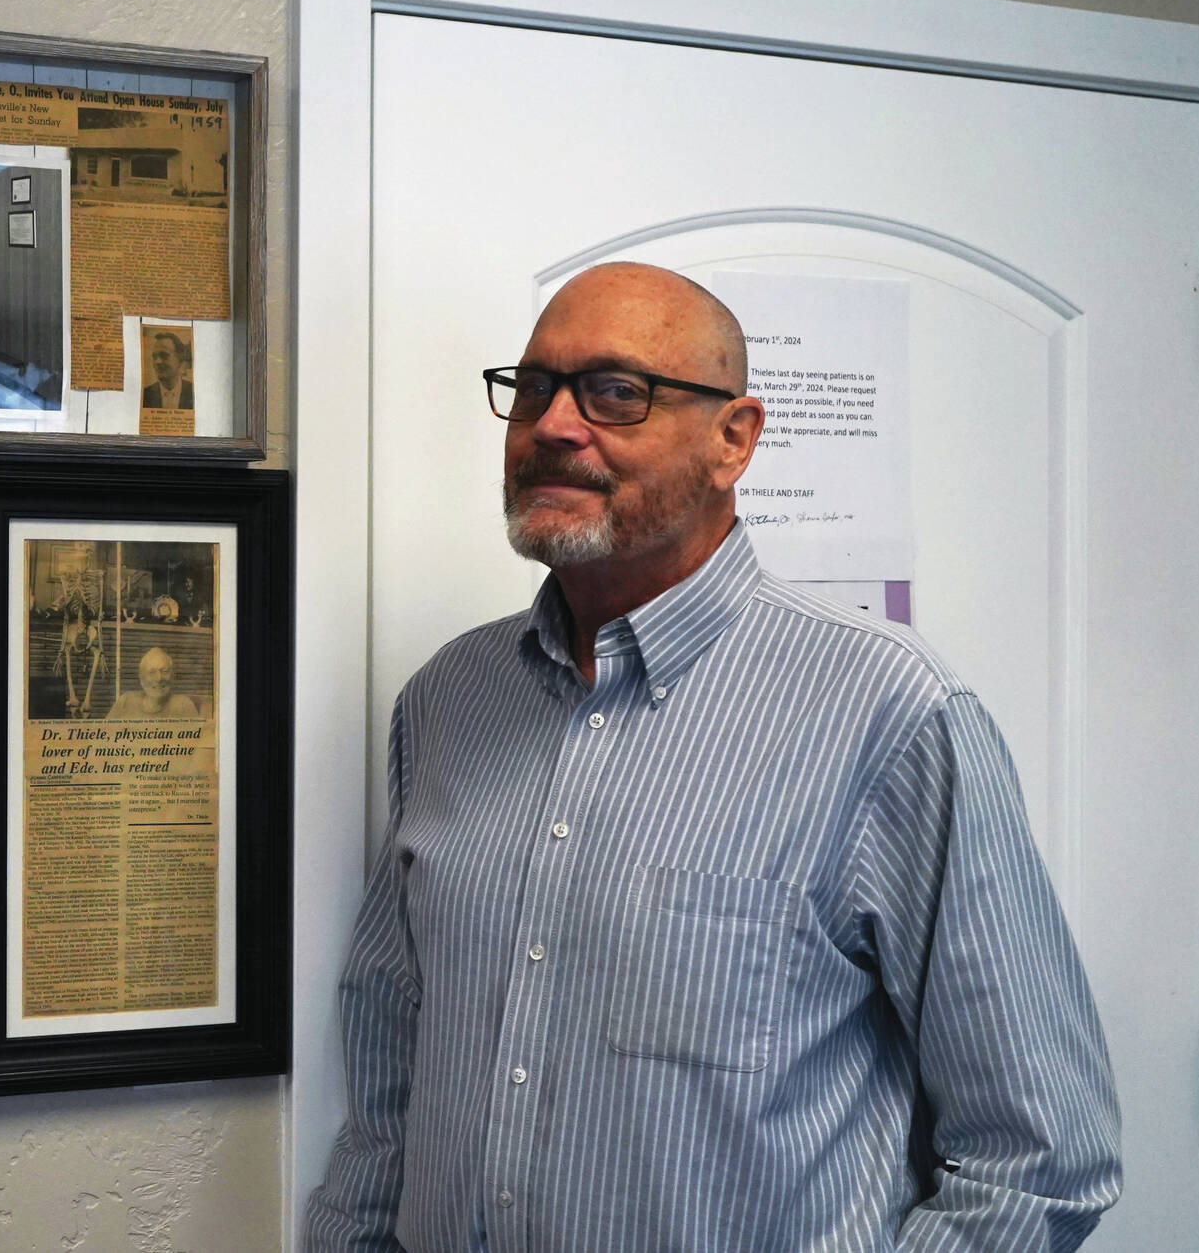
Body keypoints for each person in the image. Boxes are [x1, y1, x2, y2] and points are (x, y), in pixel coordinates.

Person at [304, 262, 1121, 1251]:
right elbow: (390, 1064)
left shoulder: (884, 710)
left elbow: (1039, 1155)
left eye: (615, 392)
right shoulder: (450, 700)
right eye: (532, 389)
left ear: (733, 439)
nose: (554, 425)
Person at [106, 646, 200, 718]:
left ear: (173, 676)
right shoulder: (126, 702)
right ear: (142, 678)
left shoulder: (183, 704)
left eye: (165, 671)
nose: (159, 678)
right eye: (152, 672)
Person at [141, 331, 194, 409]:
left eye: (164, 356)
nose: (157, 362)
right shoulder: (145, 395)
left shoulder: (194, 392)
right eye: (154, 357)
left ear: (180, 358)